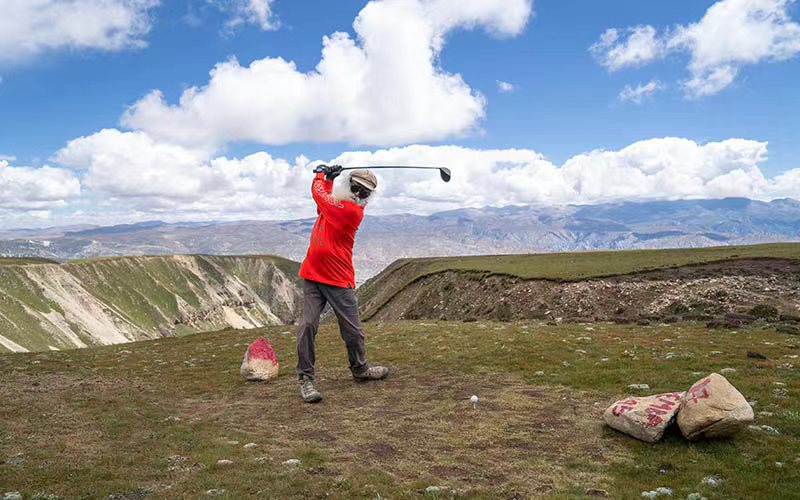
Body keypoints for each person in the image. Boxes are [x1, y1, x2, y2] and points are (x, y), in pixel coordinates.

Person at [295, 164, 389, 403]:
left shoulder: (351, 211)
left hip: (338, 279)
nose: (358, 194)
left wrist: (321, 175)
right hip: (313, 276)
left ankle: (361, 369)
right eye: (356, 188)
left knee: (353, 331)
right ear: (348, 185)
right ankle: (306, 379)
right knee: (307, 325)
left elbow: (319, 196)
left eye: (364, 192)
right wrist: (328, 180)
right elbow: (323, 202)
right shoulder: (335, 205)